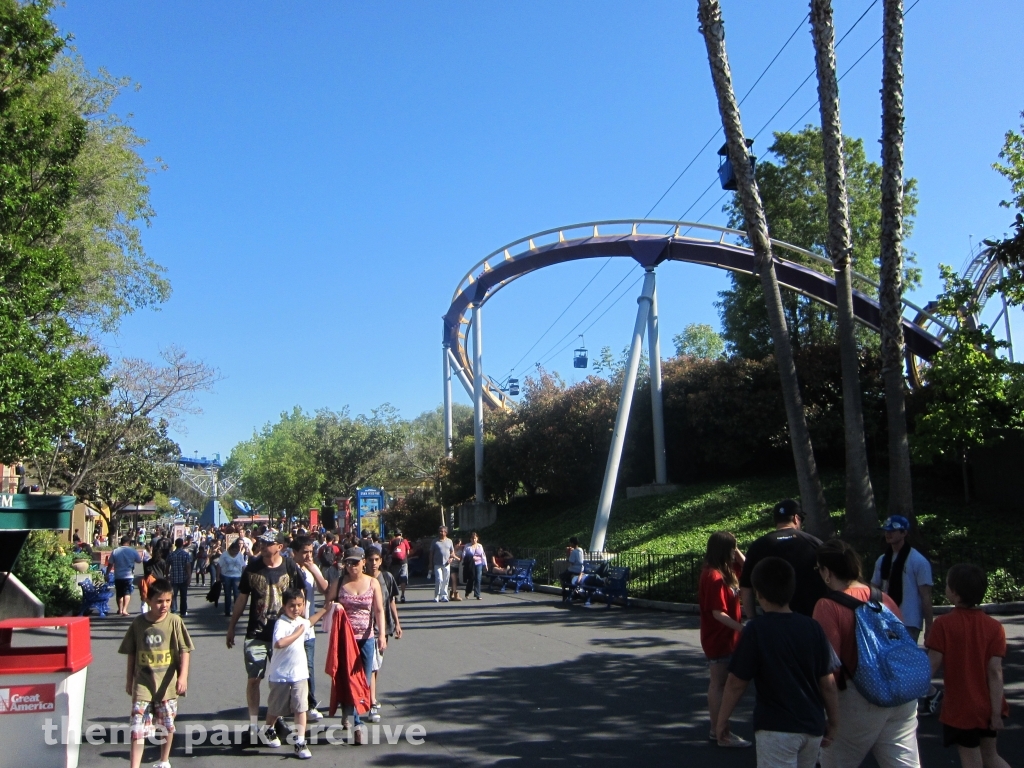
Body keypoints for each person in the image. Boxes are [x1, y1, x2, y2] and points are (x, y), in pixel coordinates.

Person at [717, 557, 839, 765]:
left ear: (759, 593)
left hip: (776, 726)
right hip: (811, 724)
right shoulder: (812, 628)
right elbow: (827, 683)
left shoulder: (757, 630)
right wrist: (833, 722)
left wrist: (722, 719)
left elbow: (736, 683)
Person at [812, 539, 920, 768]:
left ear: (827, 572)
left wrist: (828, 713)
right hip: (900, 694)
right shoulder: (883, 598)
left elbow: (829, 667)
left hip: (858, 698)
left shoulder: (827, 606)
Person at [926, 564, 1011, 768]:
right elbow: (994, 671)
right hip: (988, 704)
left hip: (961, 708)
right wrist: (996, 712)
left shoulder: (943, 624)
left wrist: (910, 689)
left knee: (971, 761)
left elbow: (932, 664)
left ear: (954, 593)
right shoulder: (994, 627)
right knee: (991, 756)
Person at [226, 529, 306, 735]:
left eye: (268, 543)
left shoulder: (290, 567)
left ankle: (275, 720)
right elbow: (242, 599)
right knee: (254, 678)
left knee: (280, 681)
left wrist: (301, 624)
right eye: (261, 542)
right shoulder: (252, 568)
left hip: (283, 633)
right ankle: (253, 724)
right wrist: (232, 627)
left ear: (280, 547)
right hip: (257, 633)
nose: (262, 546)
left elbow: (300, 595)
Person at [118, 577, 194, 768]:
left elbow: (185, 649)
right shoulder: (138, 623)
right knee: (137, 727)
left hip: (167, 684)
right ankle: (134, 765)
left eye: (168, 601)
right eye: (159, 601)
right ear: (148, 600)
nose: (164, 605)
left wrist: (183, 677)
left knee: (166, 725)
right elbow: (131, 652)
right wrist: (129, 680)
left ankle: (163, 760)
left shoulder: (174, 622)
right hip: (143, 682)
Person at [870, 515, 939, 715]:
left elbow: (925, 596)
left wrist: (929, 625)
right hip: (886, 618)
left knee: (904, 663)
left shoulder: (917, 561)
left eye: (893, 530)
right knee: (889, 662)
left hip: (909, 618)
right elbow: (875, 587)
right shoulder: (883, 560)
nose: (889, 534)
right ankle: (929, 692)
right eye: (886, 530)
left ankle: (910, 703)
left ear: (904, 533)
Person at [324, 547, 387, 742]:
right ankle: (351, 716)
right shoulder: (339, 582)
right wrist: (335, 606)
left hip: (366, 638)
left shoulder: (372, 582)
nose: (352, 566)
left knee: (364, 680)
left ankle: (357, 719)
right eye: (348, 563)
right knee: (346, 677)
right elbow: (328, 604)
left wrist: (382, 635)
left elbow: (378, 610)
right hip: (345, 639)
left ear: (363, 563)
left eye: (356, 562)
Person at [261, 588, 328, 759]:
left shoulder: (301, 621)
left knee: (301, 708)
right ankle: (268, 729)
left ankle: (300, 742)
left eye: (300, 605)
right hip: (280, 675)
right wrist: (298, 632)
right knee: (276, 709)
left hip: (299, 675)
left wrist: (326, 609)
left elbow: (310, 621)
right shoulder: (281, 623)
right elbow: (279, 643)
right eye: (292, 606)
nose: (296, 609)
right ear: (284, 606)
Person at [698, 532, 746, 746]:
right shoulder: (714, 577)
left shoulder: (727, 571)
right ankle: (719, 730)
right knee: (719, 683)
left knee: (724, 683)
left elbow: (748, 567)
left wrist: (736, 550)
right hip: (718, 637)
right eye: (731, 548)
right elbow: (718, 613)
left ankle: (719, 728)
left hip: (729, 637)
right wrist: (742, 628)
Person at [740, 498, 825, 619]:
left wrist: (753, 619)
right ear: (796, 518)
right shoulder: (814, 543)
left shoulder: (758, 546)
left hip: (773, 621)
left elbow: (746, 588)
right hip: (812, 617)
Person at [291, 535, 328, 723]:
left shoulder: (311, 569)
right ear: (294, 553)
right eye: (304, 552)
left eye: (311, 552)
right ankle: (290, 703)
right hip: (290, 628)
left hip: (308, 628)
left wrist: (313, 567)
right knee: (289, 667)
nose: (308, 555)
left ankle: (310, 704)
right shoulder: (288, 569)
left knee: (309, 668)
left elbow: (325, 589)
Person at [365, 545, 402, 724]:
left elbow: (392, 601)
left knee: (376, 663)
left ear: (381, 561)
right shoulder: (361, 579)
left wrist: (397, 624)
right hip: (365, 628)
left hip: (384, 626)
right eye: (370, 559)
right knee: (369, 663)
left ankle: (371, 693)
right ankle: (369, 698)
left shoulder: (387, 577)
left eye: (376, 560)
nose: (373, 563)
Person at [108, 535, 143, 616]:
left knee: (119, 593)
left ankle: (119, 609)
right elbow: (139, 560)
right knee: (127, 592)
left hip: (118, 575)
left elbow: (110, 564)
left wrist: (107, 573)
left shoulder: (115, 551)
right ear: (129, 542)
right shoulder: (132, 550)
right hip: (129, 575)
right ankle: (124, 609)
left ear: (121, 542)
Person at [219, 539, 247, 617]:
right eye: (234, 551)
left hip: (237, 576)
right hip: (226, 576)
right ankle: (227, 610)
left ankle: (237, 610)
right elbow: (219, 565)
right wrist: (218, 577)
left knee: (236, 594)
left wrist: (245, 576)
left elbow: (243, 566)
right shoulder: (224, 554)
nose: (235, 553)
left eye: (237, 551)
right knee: (227, 594)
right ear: (230, 549)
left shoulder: (240, 555)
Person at [167, 538, 193, 616]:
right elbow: (188, 566)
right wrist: (189, 577)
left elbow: (167, 566)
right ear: (182, 544)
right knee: (183, 596)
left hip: (174, 578)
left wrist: (167, 575)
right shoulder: (185, 554)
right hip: (183, 578)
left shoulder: (171, 554)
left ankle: (174, 610)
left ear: (175, 544)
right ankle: (183, 611)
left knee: (173, 596)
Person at [431, 527, 455, 603]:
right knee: (439, 579)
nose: (441, 533)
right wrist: (430, 563)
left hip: (446, 564)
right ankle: (436, 596)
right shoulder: (435, 541)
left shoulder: (449, 541)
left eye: (442, 531)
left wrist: (451, 558)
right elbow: (431, 553)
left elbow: (452, 552)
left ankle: (444, 596)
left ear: (446, 533)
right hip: (437, 564)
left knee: (446, 580)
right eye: (440, 531)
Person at [387, 530, 412, 602]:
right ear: (401, 534)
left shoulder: (392, 541)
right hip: (403, 562)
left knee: (395, 579)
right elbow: (408, 552)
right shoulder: (405, 541)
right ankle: (403, 595)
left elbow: (389, 551)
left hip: (395, 562)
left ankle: (394, 596)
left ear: (394, 534)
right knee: (403, 578)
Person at [463, 532, 486, 600]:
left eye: (475, 538)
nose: (474, 540)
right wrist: (470, 557)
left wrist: (485, 565)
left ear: (477, 538)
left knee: (478, 579)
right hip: (471, 564)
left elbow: (483, 555)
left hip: (479, 563)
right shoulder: (467, 546)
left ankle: (477, 594)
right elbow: (464, 555)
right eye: (472, 539)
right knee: (471, 579)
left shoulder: (480, 546)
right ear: (470, 539)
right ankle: (468, 591)